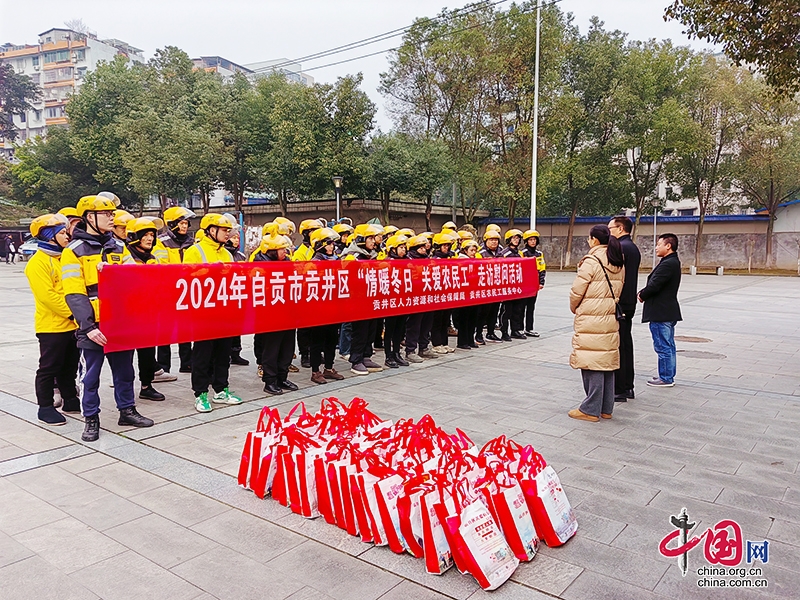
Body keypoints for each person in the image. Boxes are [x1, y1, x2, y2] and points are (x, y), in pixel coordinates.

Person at [61, 195, 154, 441]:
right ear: (89, 217)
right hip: (94, 326)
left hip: (120, 323)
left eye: (113, 214)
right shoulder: (73, 251)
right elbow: (74, 292)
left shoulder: (118, 246)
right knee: (90, 376)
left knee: (125, 372)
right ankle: (91, 418)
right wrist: (88, 326)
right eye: (107, 214)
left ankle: (127, 410)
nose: (112, 218)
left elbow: (134, 281)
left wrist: (116, 273)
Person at [182, 213, 243, 412]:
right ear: (211, 230)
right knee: (202, 354)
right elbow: (188, 279)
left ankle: (221, 389)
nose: (228, 234)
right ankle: (200, 393)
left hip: (224, 311)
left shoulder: (226, 253)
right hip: (203, 313)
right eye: (225, 231)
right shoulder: (194, 251)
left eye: (228, 231)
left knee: (223, 353)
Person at [25, 213, 80, 425]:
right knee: (49, 367)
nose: (67, 236)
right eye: (63, 233)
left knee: (70, 365)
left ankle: (70, 398)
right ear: (49, 236)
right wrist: (73, 312)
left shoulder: (64, 258)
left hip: (70, 324)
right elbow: (48, 296)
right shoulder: (37, 263)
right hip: (51, 326)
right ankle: (45, 407)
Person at [567, 224, 625, 422]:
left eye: (589, 238)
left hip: (592, 318)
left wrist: (575, 307)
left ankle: (590, 409)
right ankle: (606, 408)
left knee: (591, 361)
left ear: (594, 240)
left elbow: (577, 291)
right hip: (609, 317)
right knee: (605, 362)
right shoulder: (618, 260)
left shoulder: (591, 261)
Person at [123, 217, 168, 402]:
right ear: (134, 237)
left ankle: (146, 385)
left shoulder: (153, 259)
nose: (150, 239)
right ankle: (125, 391)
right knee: (125, 356)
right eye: (145, 235)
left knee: (148, 352)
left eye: (152, 235)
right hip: (128, 316)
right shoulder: (125, 257)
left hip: (148, 314)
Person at [251, 233, 300, 395]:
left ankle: (282, 377)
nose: (285, 252)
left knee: (287, 347)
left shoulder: (287, 263)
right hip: (269, 315)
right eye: (282, 249)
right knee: (271, 349)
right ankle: (270, 380)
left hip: (288, 313)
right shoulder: (258, 265)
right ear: (271, 251)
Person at [156, 206, 196, 375]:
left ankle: (186, 362)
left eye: (186, 223)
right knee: (165, 330)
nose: (185, 226)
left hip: (186, 291)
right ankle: (164, 366)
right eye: (181, 223)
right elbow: (161, 267)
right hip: (167, 292)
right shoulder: (161, 241)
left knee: (185, 329)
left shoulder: (191, 242)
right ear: (172, 224)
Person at [638, 233, 682, 388]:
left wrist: (642, 294)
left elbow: (655, 285)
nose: (656, 247)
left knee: (663, 345)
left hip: (661, 311)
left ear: (668, 246)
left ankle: (666, 378)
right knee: (668, 345)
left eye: (659, 244)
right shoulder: (670, 262)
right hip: (667, 310)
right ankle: (667, 374)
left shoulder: (668, 263)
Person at [342, 223, 385, 375]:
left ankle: (366, 356)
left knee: (371, 329)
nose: (374, 241)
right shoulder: (351, 257)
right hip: (357, 301)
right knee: (360, 331)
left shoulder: (372, 256)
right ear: (361, 240)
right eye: (370, 238)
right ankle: (356, 360)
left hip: (371, 299)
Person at [608, 216, 641, 401]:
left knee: (619, 345)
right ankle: (627, 386)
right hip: (629, 302)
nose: (609, 232)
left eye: (610, 228)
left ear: (620, 229)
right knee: (626, 344)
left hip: (621, 303)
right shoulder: (632, 247)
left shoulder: (621, 248)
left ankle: (619, 389)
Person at [308, 227, 345, 384]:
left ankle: (329, 368)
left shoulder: (337, 260)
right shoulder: (313, 263)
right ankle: (315, 371)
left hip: (333, 306)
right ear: (319, 245)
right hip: (318, 309)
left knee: (331, 338)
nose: (332, 246)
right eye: (328, 243)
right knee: (317, 341)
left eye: (332, 243)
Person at [403, 234, 438, 363]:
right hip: (414, 297)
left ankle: (424, 347)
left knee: (427, 322)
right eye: (421, 247)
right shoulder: (409, 261)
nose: (424, 249)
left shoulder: (427, 259)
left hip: (427, 296)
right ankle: (410, 350)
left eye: (425, 247)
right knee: (414, 324)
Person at [294, 219, 323, 369]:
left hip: (319, 294)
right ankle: (305, 354)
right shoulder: (300, 252)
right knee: (304, 327)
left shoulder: (319, 250)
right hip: (306, 293)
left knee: (316, 327)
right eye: (313, 231)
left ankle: (315, 351)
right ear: (305, 234)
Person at [224, 223, 250, 367]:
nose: (236, 240)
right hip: (226, 294)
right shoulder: (224, 253)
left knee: (236, 327)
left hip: (238, 293)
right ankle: (226, 353)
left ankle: (236, 353)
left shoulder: (240, 255)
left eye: (237, 237)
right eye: (233, 237)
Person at [383, 233, 411, 368]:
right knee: (390, 329)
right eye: (401, 247)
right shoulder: (387, 262)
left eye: (405, 247)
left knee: (400, 329)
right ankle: (389, 356)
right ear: (393, 249)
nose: (404, 250)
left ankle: (397, 353)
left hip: (403, 301)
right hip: (391, 302)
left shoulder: (407, 262)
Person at [498, 229, 526, 341]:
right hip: (507, 287)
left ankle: (515, 330)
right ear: (509, 239)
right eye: (514, 238)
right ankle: (504, 331)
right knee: (506, 311)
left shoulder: (520, 254)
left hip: (518, 287)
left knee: (517, 310)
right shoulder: (503, 254)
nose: (516, 240)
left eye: (518, 238)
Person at [477, 229, 503, 343]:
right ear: (486, 241)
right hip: (484, 288)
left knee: (494, 311)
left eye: (496, 240)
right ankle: (478, 334)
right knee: (483, 313)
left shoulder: (501, 252)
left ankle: (491, 333)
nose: (494, 242)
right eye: (491, 240)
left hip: (497, 287)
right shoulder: (480, 253)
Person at [455, 240, 480, 350]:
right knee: (464, 318)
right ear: (465, 250)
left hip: (473, 293)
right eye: (471, 250)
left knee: (472, 318)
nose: (473, 252)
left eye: (475, 250)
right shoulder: (460, 261)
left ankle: (470, 339)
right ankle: (462, 341)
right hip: (463, 294)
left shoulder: (475, 260)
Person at [521, 230, 546, 338]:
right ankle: (520, 328)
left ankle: (529, 328)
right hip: (525, 284)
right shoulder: (522, 253)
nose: (533, 242)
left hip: (534, 284)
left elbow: (542, 269)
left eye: (534, 239)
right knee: (522, 307)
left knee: (531, 307)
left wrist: (541, 282)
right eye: (530, 240)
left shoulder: (539, 254)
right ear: (526, 241)